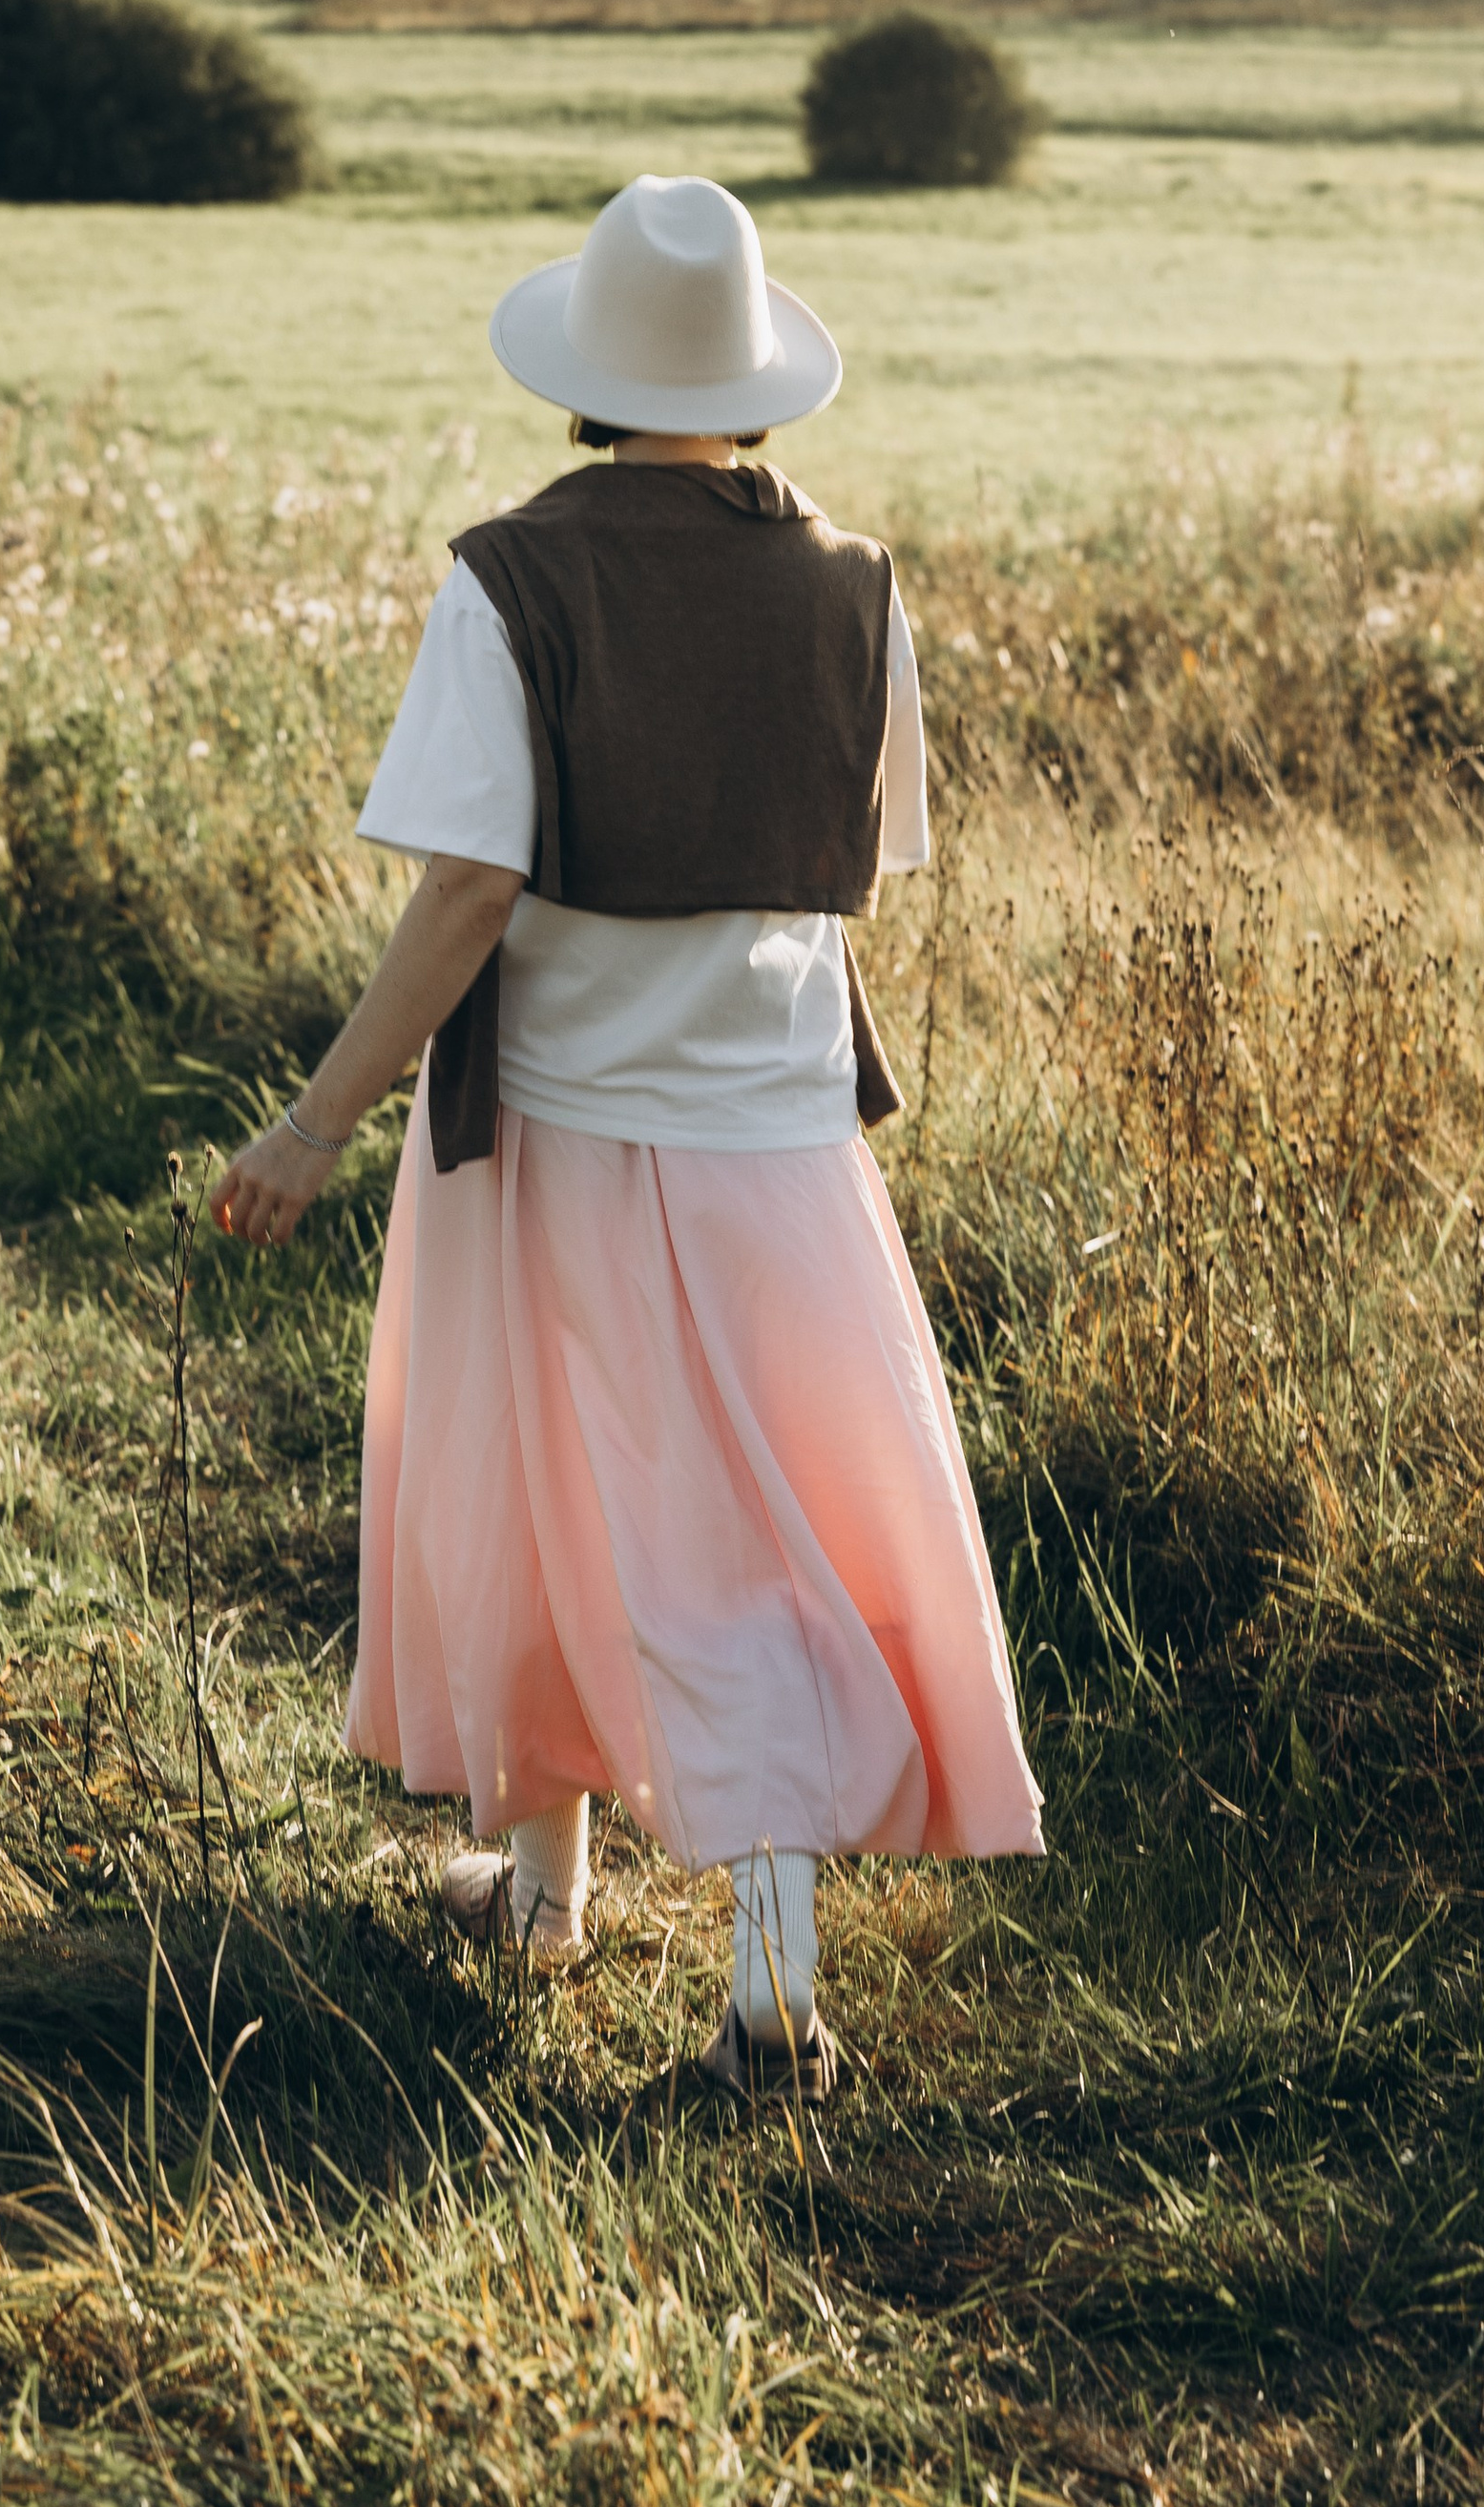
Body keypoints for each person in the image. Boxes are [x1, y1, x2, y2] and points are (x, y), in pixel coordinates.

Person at [212, 174, 1042, 2098]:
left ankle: (769, 2007)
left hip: (562, 1132)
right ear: (754, 382)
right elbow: (855, 863)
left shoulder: (512, 577)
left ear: (580, 378)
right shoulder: (854, 582)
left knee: (599, 1512)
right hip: (782, 1133)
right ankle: (546, 1897)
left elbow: (464, 893)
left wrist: (316, 1117)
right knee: (734, 1528)